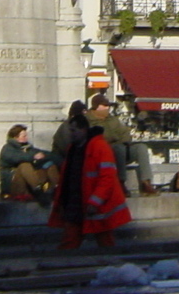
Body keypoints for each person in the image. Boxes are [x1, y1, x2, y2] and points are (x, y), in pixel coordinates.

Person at [48, 101, 131, 249]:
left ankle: (109, 265)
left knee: (104, 240)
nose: (71, 134)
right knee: (71, 241)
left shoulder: (99, 147)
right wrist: (62, 200)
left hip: (93, 203)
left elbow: (107, 177)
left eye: (74, 131)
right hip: (77, 201)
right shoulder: (74, 148)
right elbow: (68, 177)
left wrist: (94, 201)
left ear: (84, 130)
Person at [90, 93, 158, 196]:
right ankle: (120, 182)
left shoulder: (112, 119)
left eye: (108, 106)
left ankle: (146, 182)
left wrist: (124, 140)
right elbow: (102, 137)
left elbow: (125, 132)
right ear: (97, 107)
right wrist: (116, 140)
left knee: (141, 148)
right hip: (104, 152)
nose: (107, 108)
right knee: (119, 149)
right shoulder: (89, 120)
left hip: (120, 146)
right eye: (105, 106)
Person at [0, 124, 59, 203]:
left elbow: (42, 153)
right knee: (24, 165)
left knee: (49, 164)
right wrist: (33, 156)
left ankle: (57, 188)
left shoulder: (28, 147)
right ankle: (38, 190)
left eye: (26, 135)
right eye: (24, 136)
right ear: (15, 137)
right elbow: (18, 157)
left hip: (28, 183)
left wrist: (57, 158)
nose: (26, 138)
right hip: (13, 184)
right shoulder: (7, 149)